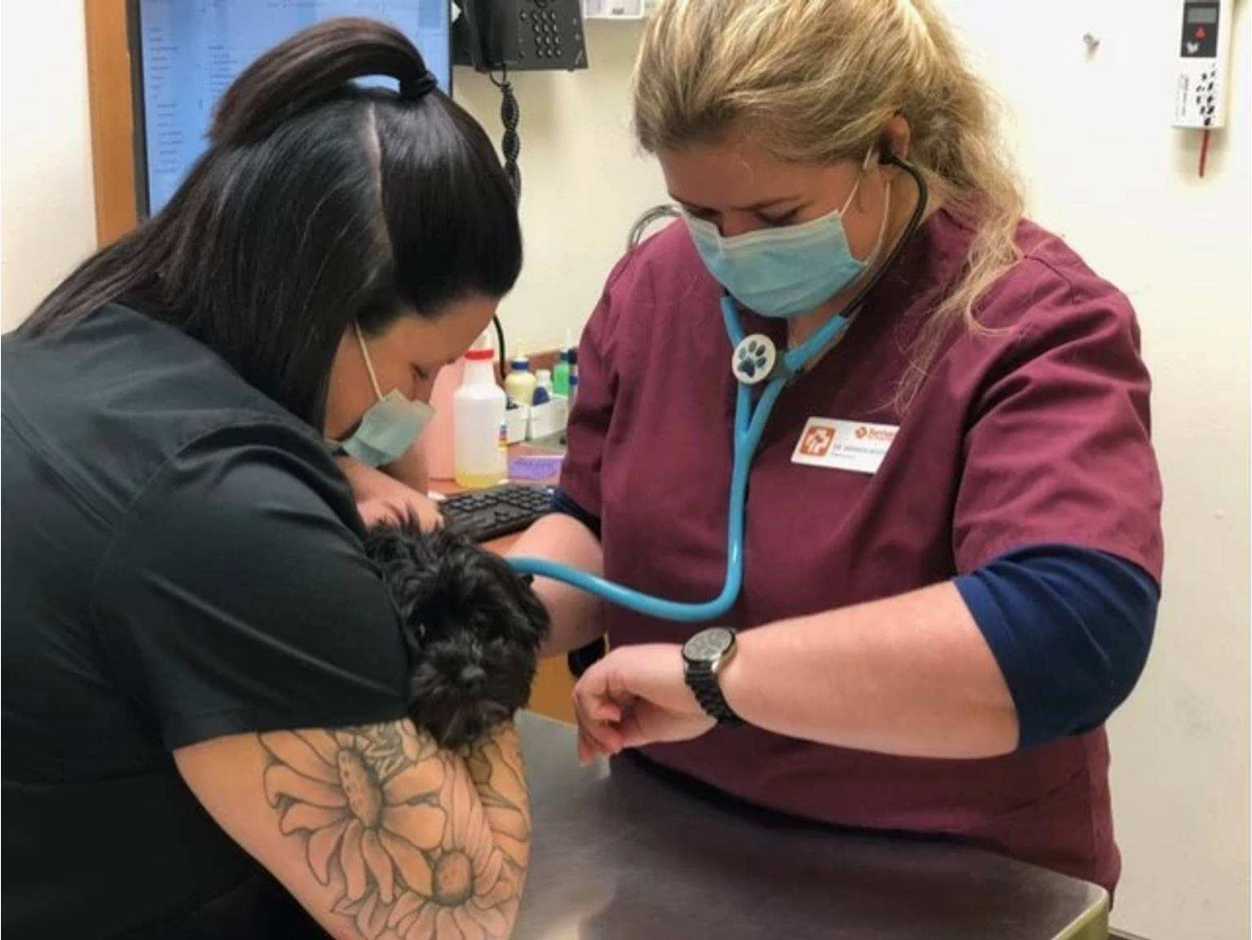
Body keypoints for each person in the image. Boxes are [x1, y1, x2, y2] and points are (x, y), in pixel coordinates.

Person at [513, 0, 1162, 895]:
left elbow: (1068, 634)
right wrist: (481, 624)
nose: (731, 250)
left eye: (775, 212)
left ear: (887, 145)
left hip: (946, 875)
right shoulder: (657, 289)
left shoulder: (1026, 319)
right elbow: (589, 526)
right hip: (671, 840)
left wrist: (716, 679)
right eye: (697, 211)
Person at [3, 20, 530, 939]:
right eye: (420, 369)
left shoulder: (70, 340)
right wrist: (457, 600)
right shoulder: (224, 510)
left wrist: (333, 459)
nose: (423, 401)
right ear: (338, 305)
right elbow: (460, 914)